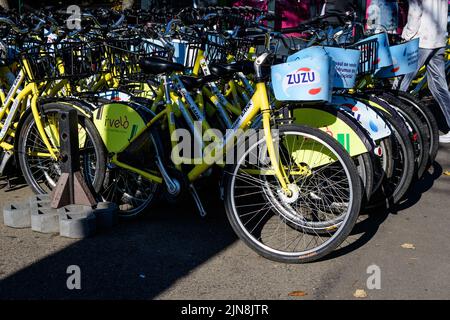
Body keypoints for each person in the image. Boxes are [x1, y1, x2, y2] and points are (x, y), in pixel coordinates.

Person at [399, 0, 450, 143]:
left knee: (401, 84)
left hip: (421, 40)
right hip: (438, 39)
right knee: (440, 88)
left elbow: (415, 12)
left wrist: (407, 34)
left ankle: (394, 124)